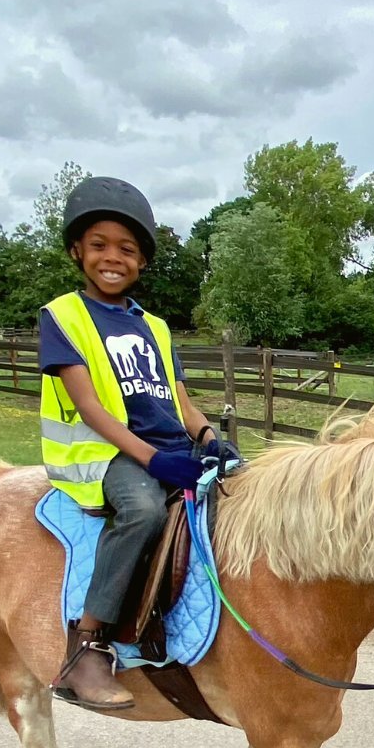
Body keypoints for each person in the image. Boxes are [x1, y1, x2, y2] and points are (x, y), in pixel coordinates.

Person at [39, 176, 221, 710]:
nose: (113, 258)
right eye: (99, 245)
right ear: (77, 251)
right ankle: (87, 645)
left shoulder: (156, 328)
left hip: (168, 447)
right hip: (108, 453)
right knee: (142, 512)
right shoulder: (63, 316)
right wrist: (154, 460)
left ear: (141, 261)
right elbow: (90, 408)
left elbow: (180, 403)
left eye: (127, 249)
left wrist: (211, 439)